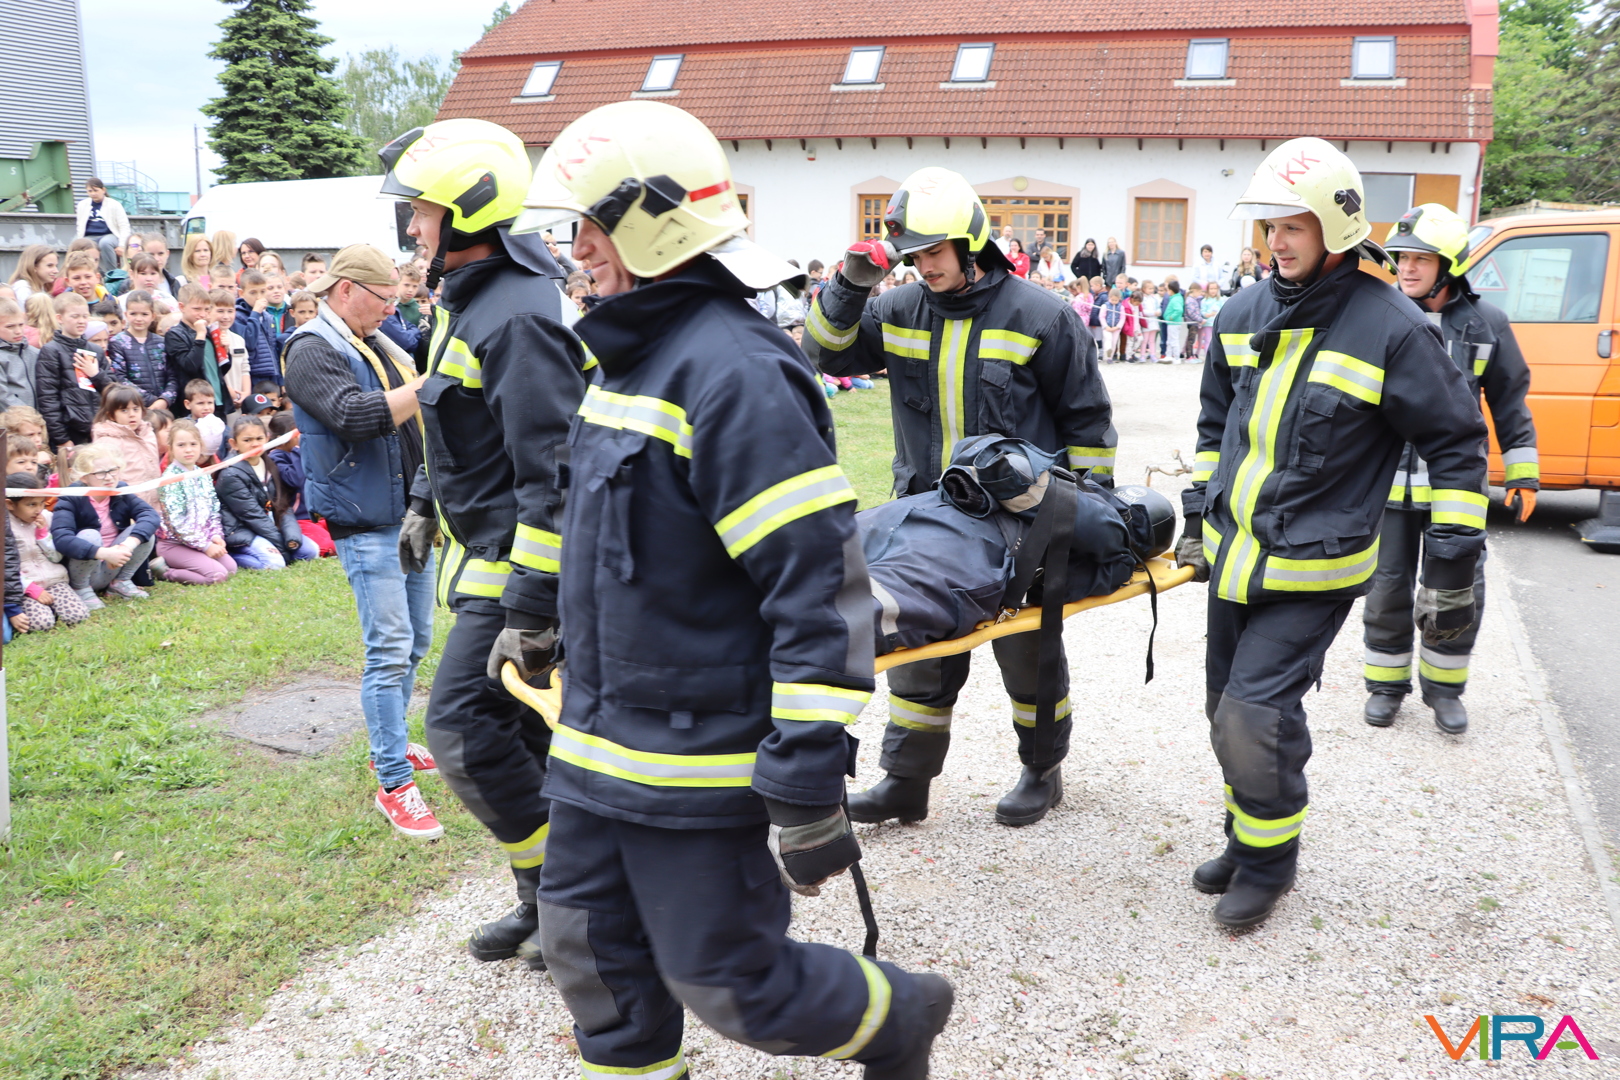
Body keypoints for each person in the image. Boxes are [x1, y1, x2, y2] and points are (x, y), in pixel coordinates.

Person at [520, 97, 953, 1080]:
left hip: (695, 759)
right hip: (594, 746)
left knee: (730, 982)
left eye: (590, 226)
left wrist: (805, 770)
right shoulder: (623, 359)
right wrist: (530, 612)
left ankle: (900, 1016)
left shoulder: (736, 374)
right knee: (588, 953)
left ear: (653, 223)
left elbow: (819, 590)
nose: (576, 249)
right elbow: (582, 519)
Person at [1174, 138, 1489, 929]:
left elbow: (1457, 443)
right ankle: (1245, 837)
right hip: (1234, 559)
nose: (1277, 242)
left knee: (1255, 713)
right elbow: (1215, 426)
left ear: (1337, 229)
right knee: (1225, 710)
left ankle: (1270, 865)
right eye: (1270, 226)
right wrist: (1200, 511)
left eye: (1295, 226)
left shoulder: (1393, 329)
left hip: (1312, 569)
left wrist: (1451, 559)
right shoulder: (1242, 313)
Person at [808, 165, 1117, 828]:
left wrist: (1087, 521)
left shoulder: (1041, 315)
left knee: (1028, 652)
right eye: (913, 254)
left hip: (1020, 527)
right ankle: (906, 782)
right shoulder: (895, 309)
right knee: (916, 658)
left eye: (934, 251)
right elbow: (824, 355)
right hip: (925, 517)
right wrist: (851, 284)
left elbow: (1087, 422)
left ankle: (1042, 771)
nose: (923, 266)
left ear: (971, 244)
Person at [377, 117, 587, 969]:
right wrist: (425, 499)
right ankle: (552, 903)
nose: (412, 226)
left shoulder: (517, 316)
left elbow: (553, 476)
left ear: (468, 212)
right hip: (491, 559)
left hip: (523, 572)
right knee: (524, 735)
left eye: (423, 210)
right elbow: (459, 423)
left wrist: (532, 610)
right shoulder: (473, 297)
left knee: (461, 729)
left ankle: (566, 896)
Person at [1362, 203, 1539, 735]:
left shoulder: (1487, 325)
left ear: (1450, 264)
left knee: (1455, 592)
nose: (1407, 268)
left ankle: (1443, 691)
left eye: (1421, 258)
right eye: (1401, 258)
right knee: (1386, 590)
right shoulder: (1381, 316)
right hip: (1390, 487)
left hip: (1455, 490)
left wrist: (1523, 474)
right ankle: (1385, 687)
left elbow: (1509, 401)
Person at [51, 443, 160, 607]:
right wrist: (105, 553)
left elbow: (150, 515)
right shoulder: (70, 497)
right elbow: (61, 538)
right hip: (87, 569)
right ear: (84, 478)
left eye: (113, 470)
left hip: (116, 564)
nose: (109, 477)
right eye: (100, 473)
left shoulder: (121, 490)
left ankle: (120, 582)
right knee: (90, 535)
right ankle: (81, 589)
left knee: (144, 532)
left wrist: (127, 545)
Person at [216, 414, 317, 569]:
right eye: (247, 440)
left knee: (310, 551)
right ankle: (233, 556)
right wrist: (283, 548)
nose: (254, 444)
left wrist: (292, 538)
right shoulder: (230, 474)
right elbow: (253, 516)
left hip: (270, 527)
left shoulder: (270, 464)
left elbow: (283, 506)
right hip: (243, 532)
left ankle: (275, 549)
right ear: (234, 443)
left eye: (259, 438)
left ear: (267, 439)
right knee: (275, 563)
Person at [155, 418, 238, 585]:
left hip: (200, 540)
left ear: (201, 446)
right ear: (171, 448)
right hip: (174, 544)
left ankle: (198, 562)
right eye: (181, 445)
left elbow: (213, 510)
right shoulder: (170, 479)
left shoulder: (203, 474)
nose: (188, 450)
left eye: (193, 444)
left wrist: (215, 536)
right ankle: (166, 572)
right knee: (217, 575)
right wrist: (206, 546)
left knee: (231, 568)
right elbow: (178, 524)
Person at [7, 473, 91, 630]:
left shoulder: (46, 517)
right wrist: (30, 588)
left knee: (77, 615)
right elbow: (6, 567)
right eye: (31, 505)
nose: (38, 510)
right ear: (10, 504)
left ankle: (54, 608)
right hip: (25, 587)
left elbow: (57, 557)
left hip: (54, 579)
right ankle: (45, 611)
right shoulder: (5, 526)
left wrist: (43, 535)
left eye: (42, 503)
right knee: (42, 623)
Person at [36, 292, 111, 450]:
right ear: (59, 318)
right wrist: (61, 438)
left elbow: (113, 390)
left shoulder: (96, 350)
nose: (81, 321)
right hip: (71, 431)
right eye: (75, 316)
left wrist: (96, 375)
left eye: (85, 316)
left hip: (101, 428)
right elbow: (48, 398)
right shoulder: (51, 351)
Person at [91, 384, 162, 507]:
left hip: (155, 502)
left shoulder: (148, 433)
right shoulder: (107, 442)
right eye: (124, 410)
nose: (132, 414)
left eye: (136, 409)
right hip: (128, 505)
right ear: (111, 415)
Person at [107, 291, 176, 409]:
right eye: (133, 314)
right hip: (134, 407)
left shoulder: (162, 342)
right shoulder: (117, 342)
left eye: (144, 314)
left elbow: (173, 376)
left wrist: (165, 400)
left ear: (153, 316)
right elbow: (120, 378)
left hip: (165, 408)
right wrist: (152, 401)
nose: (139, 319)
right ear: (126, 314)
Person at [234, 270, 281, 386]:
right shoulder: (237, 316)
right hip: (252, 375)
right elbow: (249, 343)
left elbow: (273, 349)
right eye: (253, 293)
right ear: (241, 293)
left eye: (263, 291)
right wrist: (255, 313)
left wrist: (280, 380)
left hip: (271, 374)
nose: (259, 297)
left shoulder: (268, 317)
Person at [76, 179, 132, 274]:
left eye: (96, 190)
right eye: (90, 191)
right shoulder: (82, 205)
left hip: (110, 235)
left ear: (103, 190)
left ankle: (112, 273)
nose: (93, 193)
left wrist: (122, 245)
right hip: (90, 236)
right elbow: (79, 225)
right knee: (77, 244)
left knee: (105, 243)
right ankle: (87, 272)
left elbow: (124, 226)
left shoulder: (114, 204)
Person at [0, 299, 38, 408]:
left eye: (21, 325)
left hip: (41, 416)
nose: (18, 331)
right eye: (10, 326)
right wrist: (27, 416)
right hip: (13, 417)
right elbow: (3, 396)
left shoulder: (35, 353)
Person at [181, 379, 225, 458]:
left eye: (210, 403)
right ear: (187, 404)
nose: (206, 408)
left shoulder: (218, 425)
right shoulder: (182, 428)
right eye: (200, 403)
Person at [1161, 280, 1186, 363]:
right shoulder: (1176, 298)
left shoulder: (1175, 299)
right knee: (1169, 340)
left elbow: (1179, 310)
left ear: (1171, 290)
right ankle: (1168, 355)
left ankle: (1176, 357)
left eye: (1168, 290)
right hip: (1171, 323)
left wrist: (1171, 317)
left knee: (1174, 340)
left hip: (1174, 323)